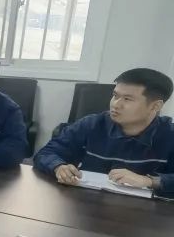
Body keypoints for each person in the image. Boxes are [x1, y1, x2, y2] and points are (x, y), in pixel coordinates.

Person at [34, 68, 173, 195]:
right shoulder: (92, 124)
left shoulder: (169, 135)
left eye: (127, 99)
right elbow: (46, 153)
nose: (116, 104)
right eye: (115, 96)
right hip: (88, 202)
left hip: (145, 210)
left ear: (155, 106)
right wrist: (58, 166)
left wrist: (149, 181)